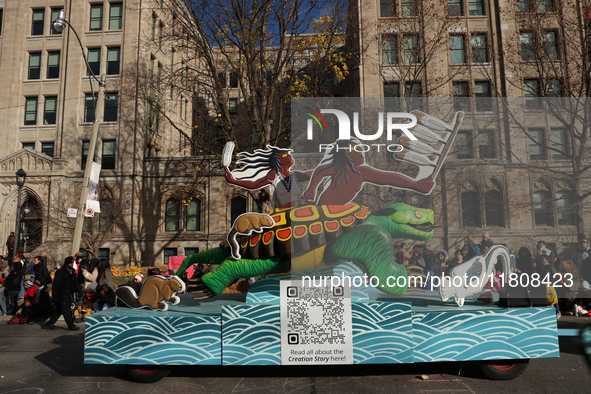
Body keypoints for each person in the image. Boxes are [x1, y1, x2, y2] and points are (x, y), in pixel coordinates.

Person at [303, 139, 435, 205]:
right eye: (359, 152)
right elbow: (319, 171)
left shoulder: (362, 171)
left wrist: (415, 184)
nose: (362, 154)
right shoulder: (338, 167)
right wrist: (311, 189)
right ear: (348, 152)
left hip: (340, 210)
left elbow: (387, 178)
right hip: (325, 208)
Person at [43, 256, 80, 330]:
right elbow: (56, 285)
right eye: (70, 263)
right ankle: (70, 325)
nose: (72, 264)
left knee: (59, 310)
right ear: (66, 263)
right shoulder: (61, 272)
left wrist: (78, 290)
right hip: (61, 295)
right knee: (66, 310)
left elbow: (75, 283)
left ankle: (50, 323)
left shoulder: (72, 271)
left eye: (72, 262)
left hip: (69, 294)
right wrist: (55, 297)